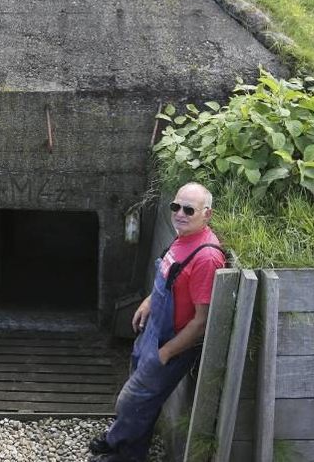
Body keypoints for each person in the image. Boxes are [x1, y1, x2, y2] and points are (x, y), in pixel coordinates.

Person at [90, 182, 226, 462]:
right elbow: (169, 278)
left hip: (170, 343)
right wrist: (148, 302)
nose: (180, 214)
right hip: (152, 332)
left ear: (207, 214)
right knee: (141, 400)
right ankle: (130, 449)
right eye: (176, 206)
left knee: (132, 400)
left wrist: (166, 353)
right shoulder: (182, 238)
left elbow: (200, 322)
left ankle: (119, 447)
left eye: (190, 209)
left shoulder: (207, 258)